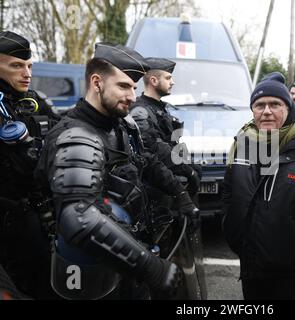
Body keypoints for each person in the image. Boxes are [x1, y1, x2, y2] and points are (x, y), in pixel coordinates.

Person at [35, 43, 194, 299]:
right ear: (97, 83)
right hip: (93, 271)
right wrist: (150, 267)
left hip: (129, 256)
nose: (132, 96)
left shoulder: (121, 123)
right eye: (123, 86)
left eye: (133, 87)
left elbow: (146, 161)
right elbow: (80, 218)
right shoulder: (75, 135)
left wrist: (180, 193)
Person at [222, 72, 295, 300]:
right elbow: (230, 190)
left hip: (293, 274)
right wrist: (232, 229)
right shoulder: (243, 143)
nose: (266, 111)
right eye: (259, 105)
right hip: (251, 265)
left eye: (275, 104)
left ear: (289, 108)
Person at [0, 31, 60, 299]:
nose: (26, 72)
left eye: (28, 66)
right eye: (16, 65)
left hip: (42, 212)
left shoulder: (36, 101)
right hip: (9, 219)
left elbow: (63, 134)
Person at [129, 58, 201, 203]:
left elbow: (171, 144)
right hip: (157, 191)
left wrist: (192, 167)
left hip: (170, 184)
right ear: (154, 81)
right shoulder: (140, 111)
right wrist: (187, 170)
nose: (172, 82)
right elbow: (155, 151)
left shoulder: (159, 108)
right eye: (168, 78)